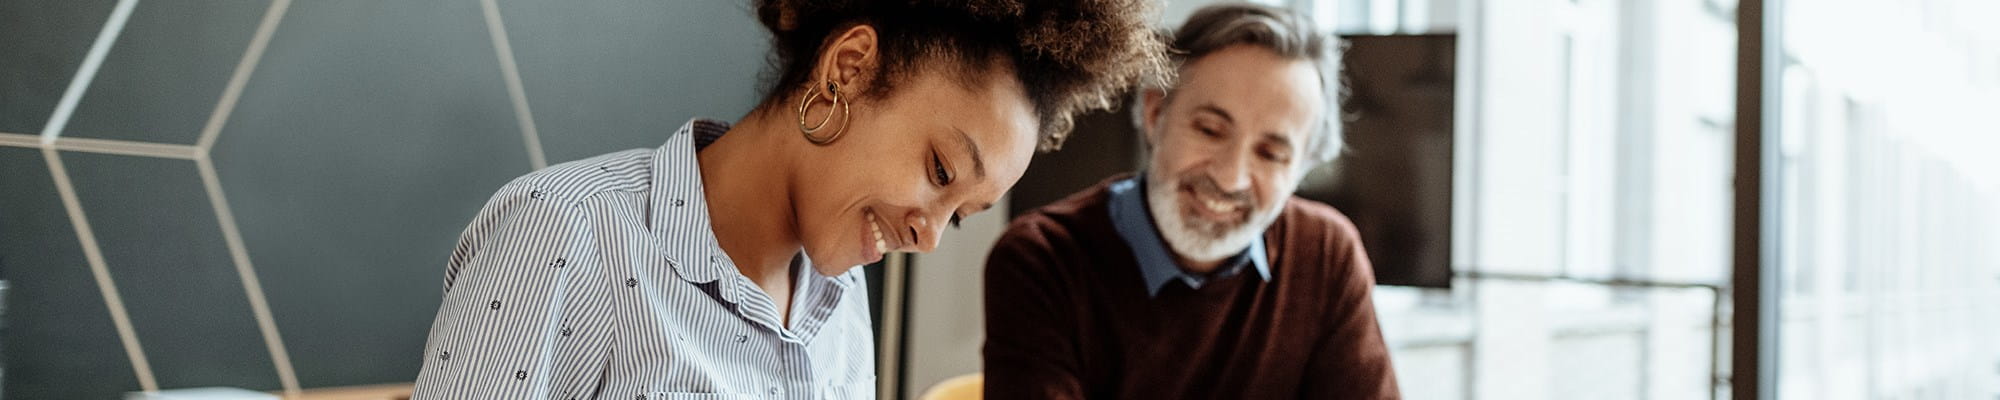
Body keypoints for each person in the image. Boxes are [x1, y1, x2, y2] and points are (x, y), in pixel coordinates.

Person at [412, 0, 1164, 398]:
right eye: (939, 172)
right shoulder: (564, 235)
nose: (929, 237)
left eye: (959, 213)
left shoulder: (837, 310)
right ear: (849, 67)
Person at [982, 3, 1400, 399]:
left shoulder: (1327, 254)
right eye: (1210, 130)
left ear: (1302, 169)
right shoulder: (1042, 260)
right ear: (1154, 114)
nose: (1229, 177)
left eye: (1271, 154)